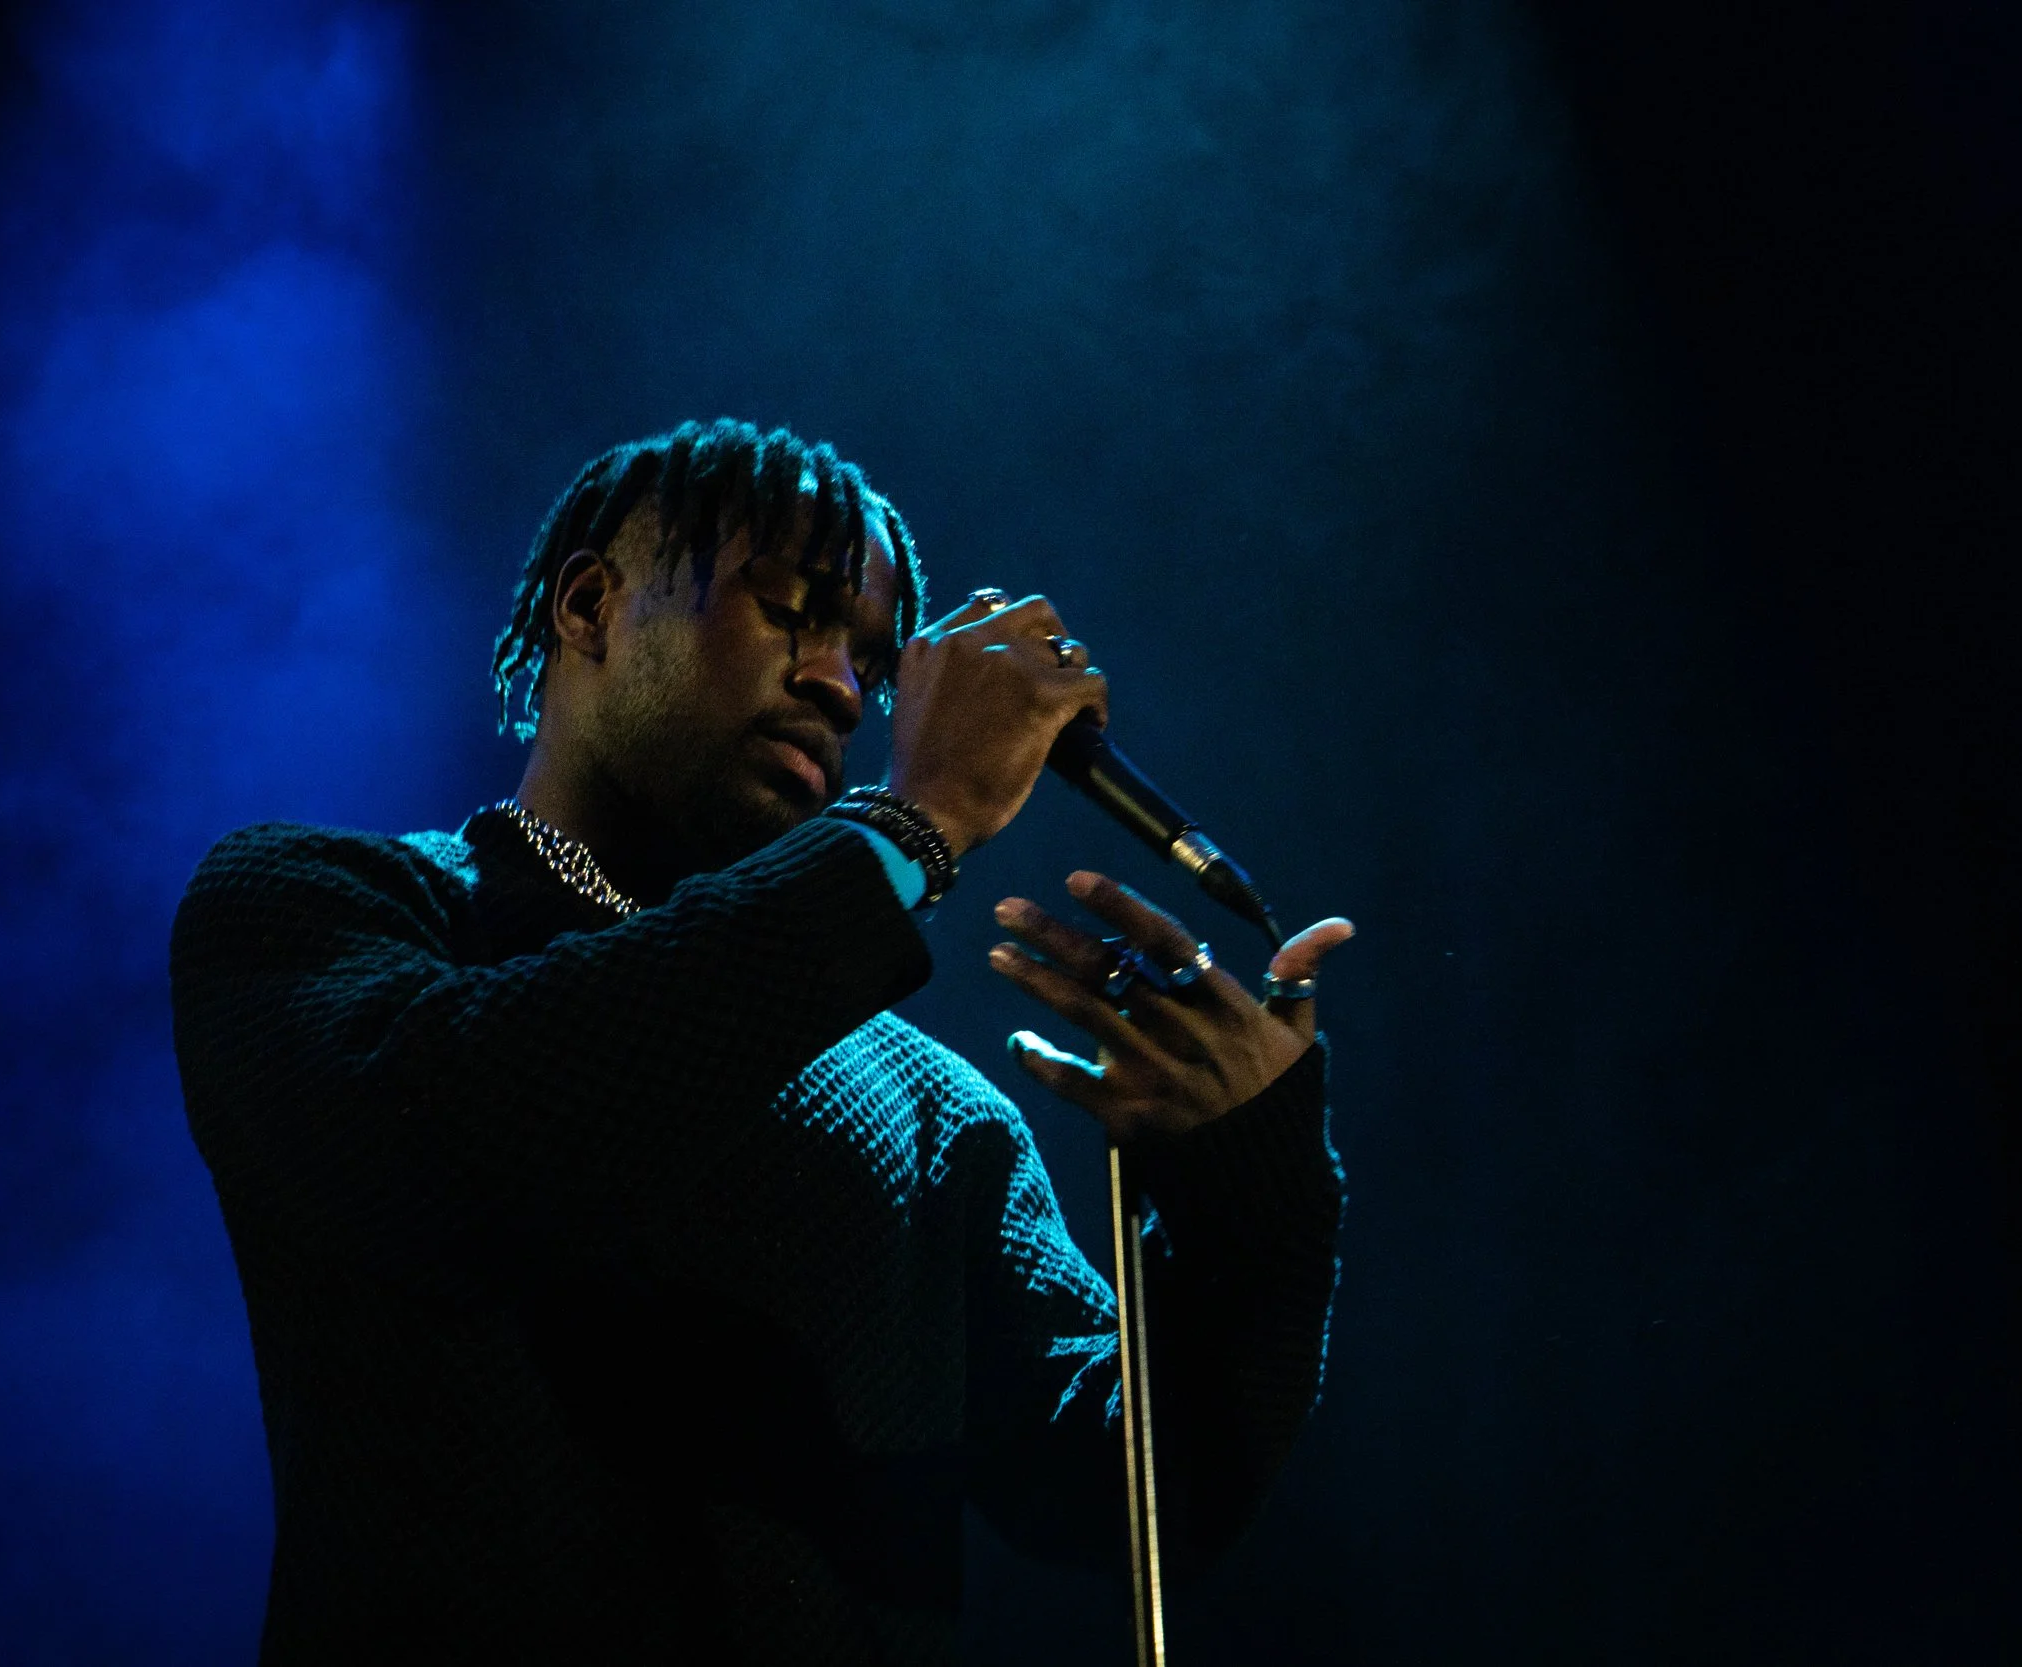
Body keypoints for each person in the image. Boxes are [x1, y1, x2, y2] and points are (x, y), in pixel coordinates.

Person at [169, 418, 1353, 1664]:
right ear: (588, 606)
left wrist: (1244, 1188)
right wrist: (919, 820)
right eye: (794, 612)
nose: (843, 690)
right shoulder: (319, 908)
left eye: (872, 664)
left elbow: (1126, 1500)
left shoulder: (932, 1108)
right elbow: (450, 1145)